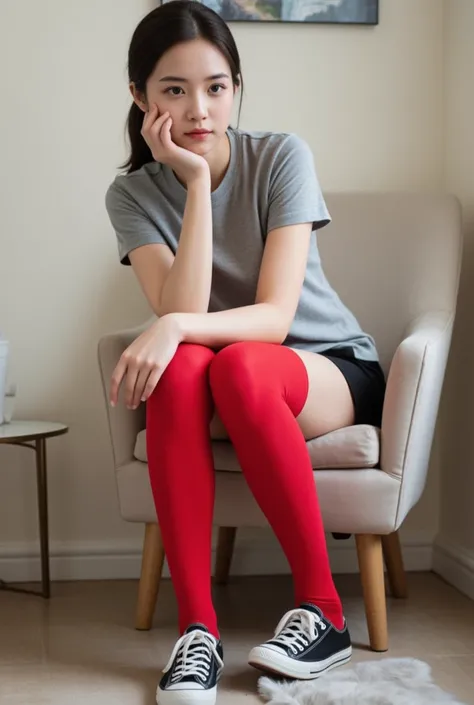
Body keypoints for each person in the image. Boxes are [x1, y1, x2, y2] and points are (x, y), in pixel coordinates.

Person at [105, 2, 386, 703]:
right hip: (220, 372)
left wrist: (172, 325)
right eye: (174, 89)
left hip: (324, 365)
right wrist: (196, 183)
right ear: (140, 97)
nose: (199, 108)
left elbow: (276, 316)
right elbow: (185, 311)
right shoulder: (133, 194)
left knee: (233, 361)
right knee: (186, 371)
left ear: (236, 86)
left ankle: (323, 610)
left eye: (216, 86)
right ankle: (196, 631)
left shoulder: (281, 156)